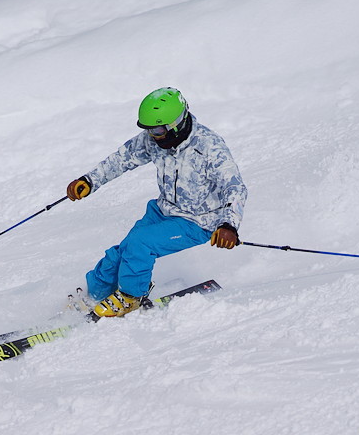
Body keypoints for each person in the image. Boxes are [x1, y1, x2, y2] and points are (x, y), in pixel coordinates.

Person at [66, 87, 248, 318]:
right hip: (163, 211)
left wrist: (229, 225)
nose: (153, 135)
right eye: (149, 129)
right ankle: (96, 294)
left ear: (177, 123)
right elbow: (122, 159)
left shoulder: (209, 146)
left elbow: (235, 187)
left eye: (158, 129)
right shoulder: (154, 140)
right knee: (123, 251)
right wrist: (90, 180)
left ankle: (132, 297)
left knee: (140, 244)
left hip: (198, 221)